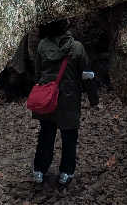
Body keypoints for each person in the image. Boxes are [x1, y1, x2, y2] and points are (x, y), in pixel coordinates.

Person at [31, 19, 98, 186]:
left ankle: (39, 170)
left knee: (46, 135)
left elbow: (37, 73)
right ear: (66, 27)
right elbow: (87, 74)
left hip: (47, 99)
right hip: (69, 99)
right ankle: (66, 173)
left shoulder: (41, 46)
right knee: (69, 138)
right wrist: (93, 98)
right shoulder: (77, 48)